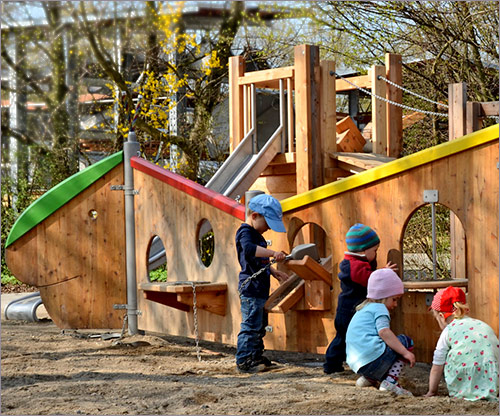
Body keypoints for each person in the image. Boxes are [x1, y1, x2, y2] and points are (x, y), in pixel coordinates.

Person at [323, 223, 397, 374]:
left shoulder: (359, 262)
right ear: (363, 251)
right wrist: (384, 273)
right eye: (375, 251)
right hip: (348, 309)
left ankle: (347, 362)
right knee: (342, 337)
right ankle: (331, 365)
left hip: (355, 308)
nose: (376, 254)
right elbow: (370, 280)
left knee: (351, 338)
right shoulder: (353, 265)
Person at [235, 193, 290, 373]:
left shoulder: (257, 234)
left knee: (259, 325)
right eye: (267, 223)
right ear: (254, 216)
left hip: (260, 288)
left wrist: (274, 272)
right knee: (250, 325)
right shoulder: (245, 232)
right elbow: (250, 251)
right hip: (250, 289)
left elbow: (260, 262)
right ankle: (244, 360)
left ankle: (255, 355)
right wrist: (274, 253)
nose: (268, 228)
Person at [346, 268, 415, 396]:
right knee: (405, 341)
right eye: (394, 299)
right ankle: (390, 382)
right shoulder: (380, 308)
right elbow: (384, 332)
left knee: (381, 346)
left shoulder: (363, 309)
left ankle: (368, 378)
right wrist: (405, 352)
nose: (395, 305)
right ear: (383, 297)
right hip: (373, 360)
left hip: (358, 364)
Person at [425, 286, 499, 401]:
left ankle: (462, 391)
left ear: (441, 317)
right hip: (492, 378)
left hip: (463, 381)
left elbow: (437, 365)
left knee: (447, 355)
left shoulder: (448, 330)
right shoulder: (482, 325)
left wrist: (432, 391)